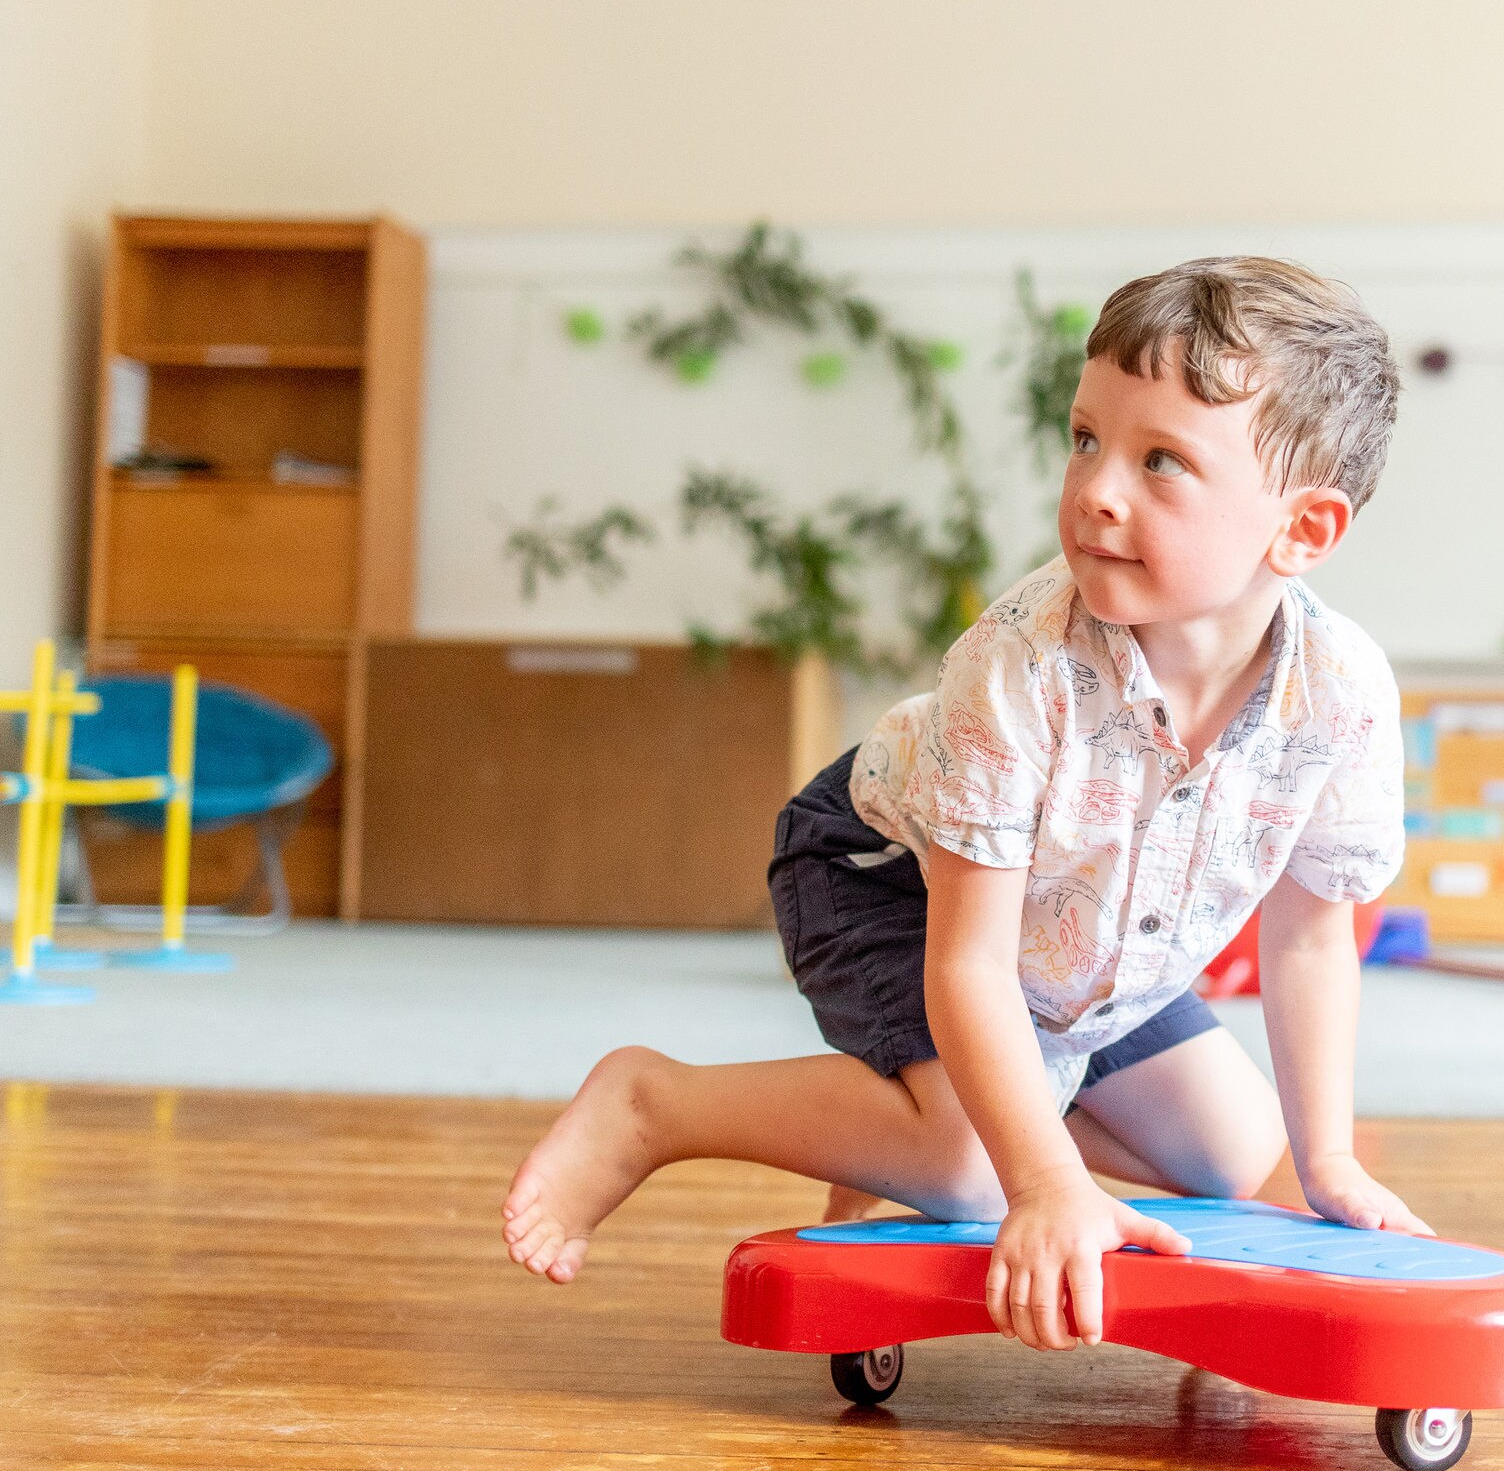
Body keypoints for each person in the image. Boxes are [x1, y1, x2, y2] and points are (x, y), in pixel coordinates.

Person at [504, 253, 1426, 1349]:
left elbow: (1312, 941)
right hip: (884, 881)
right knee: (972, 1170)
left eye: (1161, 461)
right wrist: (1038, 1181)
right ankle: (655, 1102)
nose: (1095, 490)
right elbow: (970, 964)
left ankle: (895, 1131)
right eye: (1085, 439)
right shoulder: (1019, 661)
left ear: (1303, 532)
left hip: (1089, 965)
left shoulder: (1341, 693)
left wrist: (1327, 1165)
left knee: (1231, 1152)